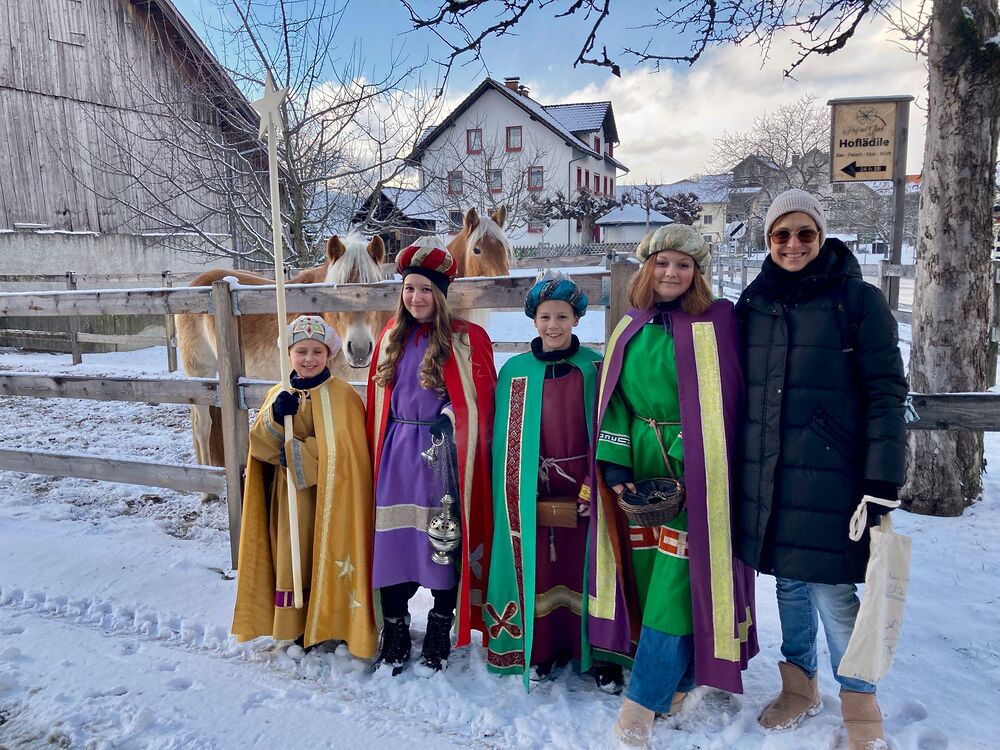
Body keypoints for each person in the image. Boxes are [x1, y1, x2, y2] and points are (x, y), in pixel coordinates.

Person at [735, 189, 907, 749]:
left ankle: (860, 702)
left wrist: (882, 477)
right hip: (770, 472)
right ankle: (799, 685)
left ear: (822, 235)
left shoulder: (857, 301)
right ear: (768, 239)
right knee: (788, 583)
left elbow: (885, 392)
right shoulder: (754, 303)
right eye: (781, 234)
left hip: (834, 473)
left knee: (833, 592)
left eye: (804, 233)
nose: (793, 244)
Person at [587, 225, 757, 747]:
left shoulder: (717, 322)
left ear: (697, 272)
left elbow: (725, 399)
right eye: (662, 262)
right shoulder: (630, 324)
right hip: (639, 461)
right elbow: (615, 400)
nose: (671, 273)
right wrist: (617, 467)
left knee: (678, 580)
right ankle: (680, 679)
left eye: (683, 264)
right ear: (647, 267)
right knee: (648, 575)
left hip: (699, 467)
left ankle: (642, 700)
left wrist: (689, 462)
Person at [486, 273, 624, 693]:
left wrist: (592, 483)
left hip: (585, 488)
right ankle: (543, 647)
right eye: (545, 317)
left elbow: (607, 428)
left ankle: (599, 652)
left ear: (577, 319)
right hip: (533, 489)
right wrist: (519, 488)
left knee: (590, 565)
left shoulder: (595, 368)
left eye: (562, 316)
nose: (553, 325)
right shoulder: (515, 371)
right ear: (533, 320)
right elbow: (505, 441)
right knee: (541, 568)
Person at [366, 236, 497, 675]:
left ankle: (441, 624)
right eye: (409, 288)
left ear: (441, 294)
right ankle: (396, 627)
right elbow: (378, 402)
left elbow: (481, 402)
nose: (416, 297)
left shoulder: (467, 338)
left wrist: (451, 416)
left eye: (426, 289)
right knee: (393, 541)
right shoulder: (390, 335)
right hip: (395, 453)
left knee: (443, 542)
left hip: (442, 458)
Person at [232, 315, 377, 659]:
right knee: (295, 558)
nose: (309, 359)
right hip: (291, 502)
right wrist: (274, 418)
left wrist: (302, 454)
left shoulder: (344, 396)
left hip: (335, 500)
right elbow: (260, 448)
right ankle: (297, 625)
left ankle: (335, 622)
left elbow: (350, 453)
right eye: (301, 351)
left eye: (317, 351)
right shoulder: (278, 393)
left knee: (333, 555)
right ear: (289, 354)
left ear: (330, 354)